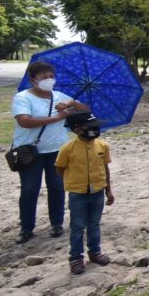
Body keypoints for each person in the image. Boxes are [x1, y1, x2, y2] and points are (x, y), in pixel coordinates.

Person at [12, 61, 91, 244]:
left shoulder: (60, 96)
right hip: (30, 150)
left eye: (51, 76)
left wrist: (72, 102)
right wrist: (57, 117)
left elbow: (85, 110)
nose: (49, 80)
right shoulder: (23, 98)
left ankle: (57, 223)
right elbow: (24, 121)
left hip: (57, 149)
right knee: (30, 189)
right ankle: (26, 228)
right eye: (44, 77)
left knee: (56, 187)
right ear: (33, 80)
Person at [56, 112, 113, 275]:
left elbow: (105, 168)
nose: (95, 130)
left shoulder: (102, 145)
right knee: (77, 227)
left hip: (97, 191)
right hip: (78, 194)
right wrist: (75, 182)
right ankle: (75, 258)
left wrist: (108, 190)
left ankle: (95, 252)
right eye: (90, 127)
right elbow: (60, 168)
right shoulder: (68, 148)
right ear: (77, 130)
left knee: (94, 224)